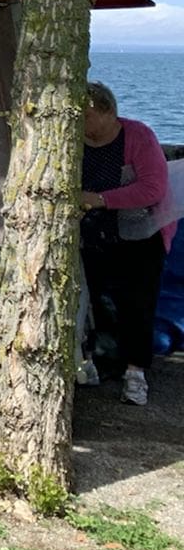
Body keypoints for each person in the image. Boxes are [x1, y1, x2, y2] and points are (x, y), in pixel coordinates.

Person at [78, 81, 174, 407]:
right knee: (97, 304)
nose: (80, 123)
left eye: (85, 116)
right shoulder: (74, 140)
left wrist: (99, 199)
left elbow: (152, 188)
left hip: (140, 237)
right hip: (92, 237)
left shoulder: (138, 137)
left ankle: (136, 374)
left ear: (107, 112)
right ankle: (105, 363)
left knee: (138, 306)